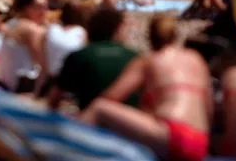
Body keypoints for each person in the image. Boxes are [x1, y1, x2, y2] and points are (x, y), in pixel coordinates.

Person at [81, 15, 212, 161]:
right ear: (175, 36)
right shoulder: (196, 59)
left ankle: (66, 145)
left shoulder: (148, 61)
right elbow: (208, 108)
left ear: (150, 37)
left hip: (172, 134)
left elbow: (111, 97)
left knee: (99, 108)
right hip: (200, 141)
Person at [48, 6, 139, 111]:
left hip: (89, 123)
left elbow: (55, 100)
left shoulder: (80, 56)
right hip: (127, 121)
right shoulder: (135, 57)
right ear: (117, 29)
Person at [0, 0, 49, 93]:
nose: (43, 11)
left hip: (8, 80)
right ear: (26, 8)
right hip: (23, 83)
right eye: (38, 7)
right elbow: (41, 61)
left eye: (45, 7)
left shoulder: (12, 24)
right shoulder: (31, 29)